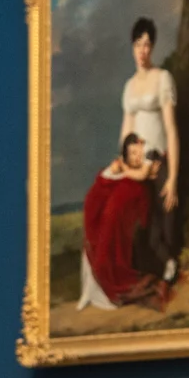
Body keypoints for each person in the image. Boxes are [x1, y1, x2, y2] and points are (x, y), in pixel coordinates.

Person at [120, 18, 182, 281]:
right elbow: (126, 131)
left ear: (152, 47)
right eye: (138, 44)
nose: (143, 50)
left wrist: (173, 178)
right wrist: (125, 165)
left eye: (147, 44)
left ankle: (170, 266)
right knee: (136, 223)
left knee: (165, 218)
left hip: (159, 160)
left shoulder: (162, 78)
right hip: (136, 164)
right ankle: (141, 273)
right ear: (132, 47)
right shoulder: (129, 86)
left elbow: (170, 129)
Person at [77, 133, 164, 310]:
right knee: (100, 236)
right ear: (126, 154)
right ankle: (94, 289)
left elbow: (144, 176)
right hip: (111, 213)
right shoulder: (121, 168)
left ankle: (109, 282)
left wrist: (127, 170)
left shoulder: (142, 171)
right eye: (132, 153)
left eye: (140, 153)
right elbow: (104, 183)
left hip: (126, 214)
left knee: (111, 245)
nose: (136, 157)